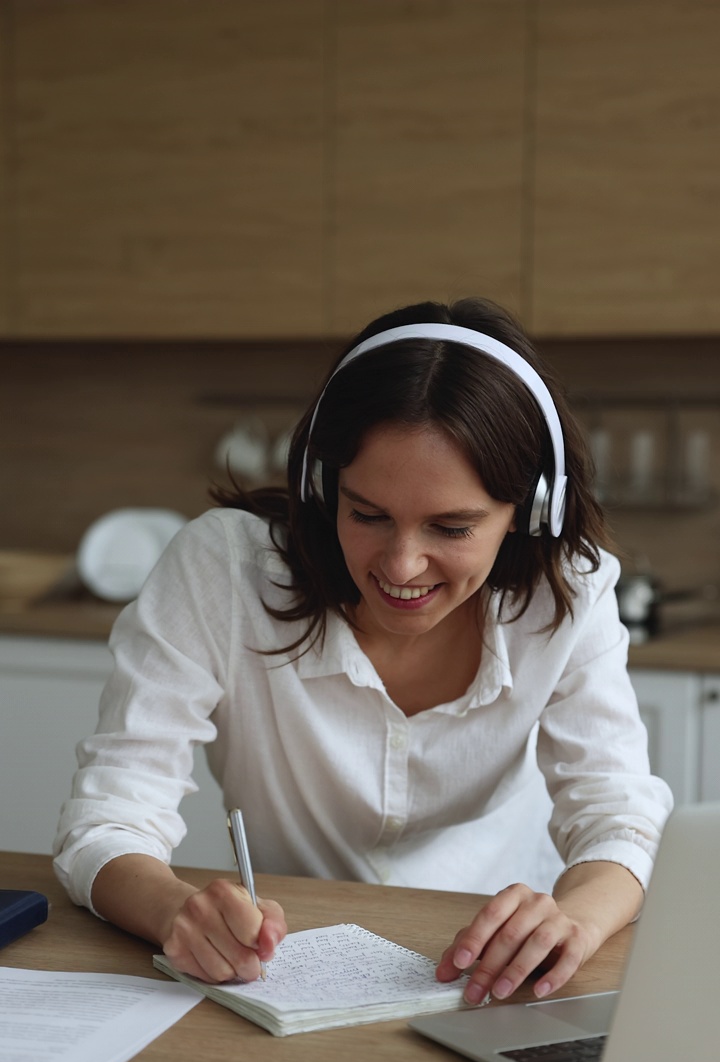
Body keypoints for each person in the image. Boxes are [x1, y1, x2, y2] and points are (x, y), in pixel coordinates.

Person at [53, 297, 672, 1009]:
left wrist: (574, 921)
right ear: (322, 489)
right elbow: (105, 821)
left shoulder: (567, 593)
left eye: (452, 526)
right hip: (284, 978)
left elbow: (619, 816)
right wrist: (172, 910)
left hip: (485, 975)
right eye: (368, 515)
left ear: (530, 513)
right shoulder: (221, 571)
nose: (402, 565)